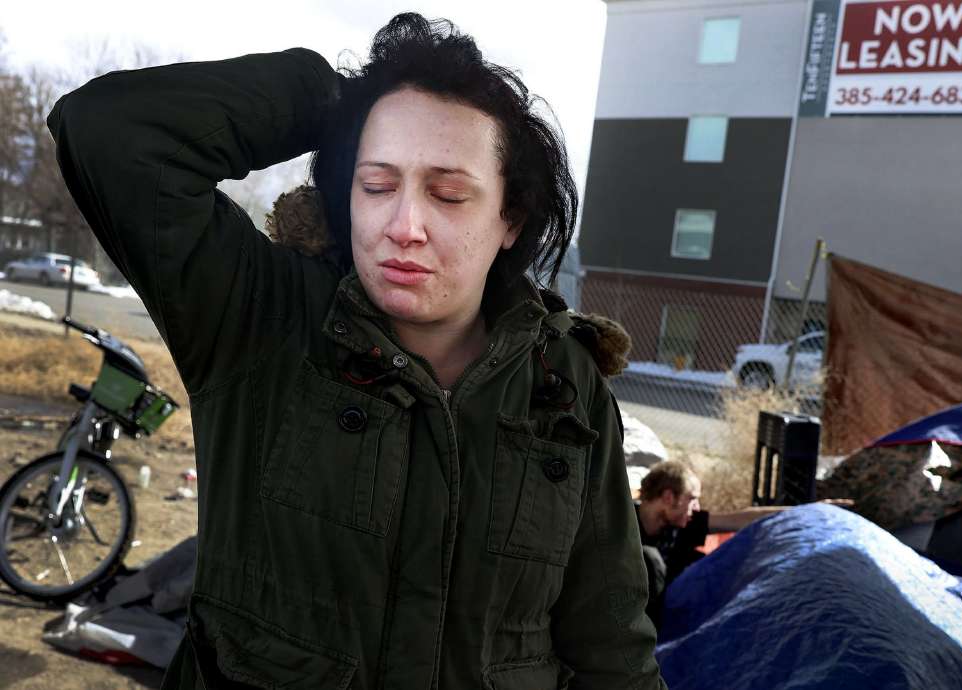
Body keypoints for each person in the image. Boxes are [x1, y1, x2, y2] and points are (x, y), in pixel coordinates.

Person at [48, 14, 663, 689]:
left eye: (449, 193)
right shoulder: (259, 316)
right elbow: (109, 133)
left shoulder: (563, 382)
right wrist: (346, 98)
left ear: (510, 218)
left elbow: (611, 646)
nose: (404, 226)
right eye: (376, 186)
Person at [636, 461, 792, 628]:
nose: (697, 507)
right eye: (692, 499)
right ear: (669, 497)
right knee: (650, 560)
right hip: (630, 615)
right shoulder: (619, 528)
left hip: (669, 611)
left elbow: (741, 519)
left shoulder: (680, 522)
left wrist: (800, 511)